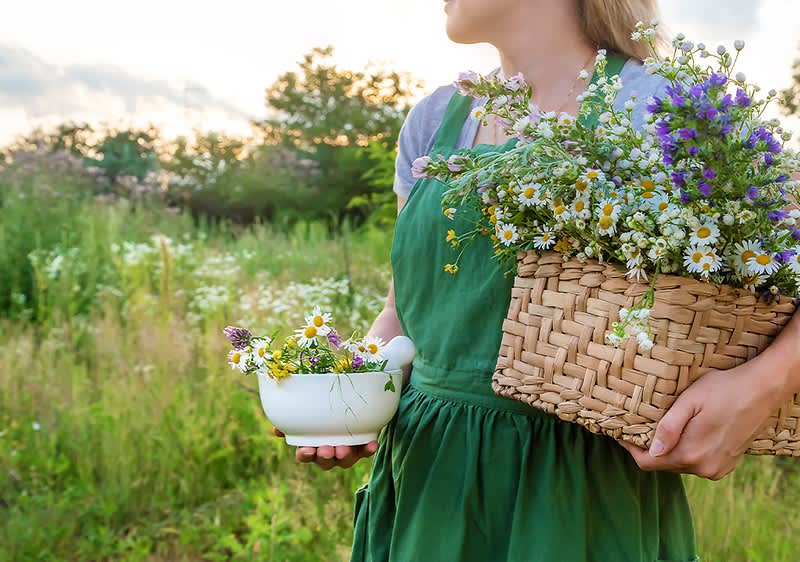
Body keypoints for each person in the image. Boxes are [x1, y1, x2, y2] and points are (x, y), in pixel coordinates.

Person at [274, 1, 800, 560]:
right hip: (429, 478)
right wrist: (350, 396)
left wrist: (762, 385)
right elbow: (403, 312)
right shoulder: (434, 119)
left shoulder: (661, 105)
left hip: (581, 491)